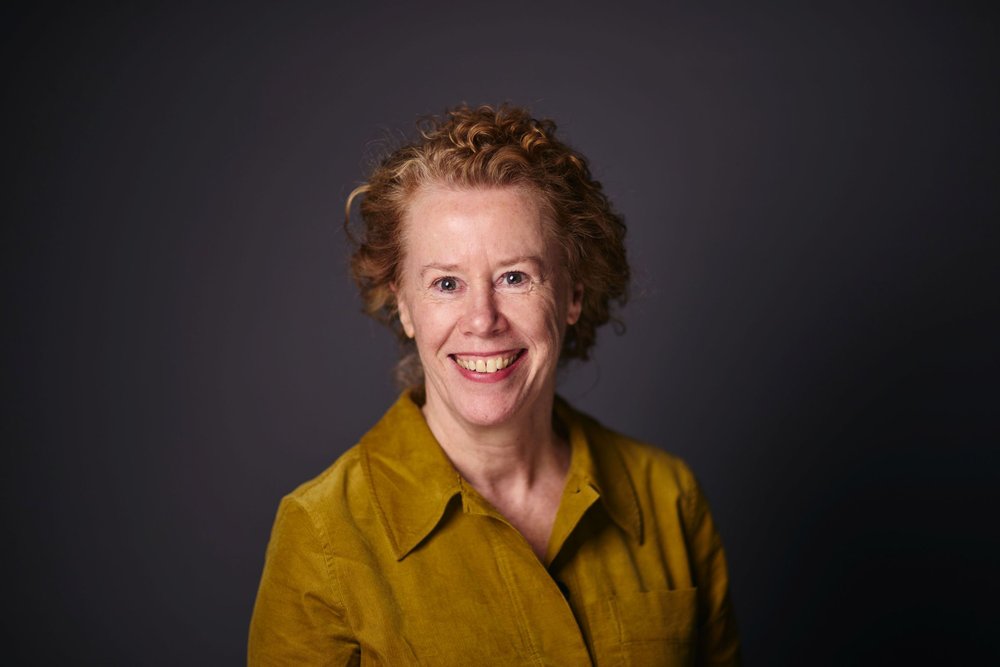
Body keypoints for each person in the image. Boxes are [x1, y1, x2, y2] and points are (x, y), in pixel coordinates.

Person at [248, 104, 741, 665]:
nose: (483, 320)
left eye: (515, 277)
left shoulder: (669, 497)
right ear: (404, 305)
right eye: (446, 283)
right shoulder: (321, 533)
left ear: (573, 294)